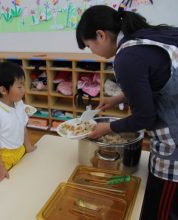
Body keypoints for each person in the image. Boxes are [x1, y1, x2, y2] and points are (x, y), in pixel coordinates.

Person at [76, 4, 178, 219]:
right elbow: (158, 78)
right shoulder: (147, 36)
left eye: (89, 46)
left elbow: (144, 117)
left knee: (161, 210)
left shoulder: (126, 57)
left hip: (175, 147)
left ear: (101, 35)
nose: (93, 53)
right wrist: (120, 97)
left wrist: (108, 127)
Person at [0, 62, 37, 184]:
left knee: (19, 184)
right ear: (3, 90)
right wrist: (0, 168)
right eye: (19, 87)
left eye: (23, 85)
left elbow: (22, 125)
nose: (23, 90)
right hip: (4, 160)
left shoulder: (19, 103)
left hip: (19, 152)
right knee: (2, 191)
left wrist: (28, 146)